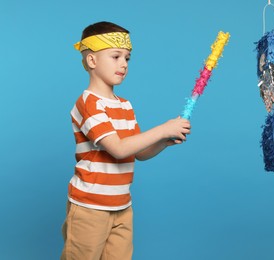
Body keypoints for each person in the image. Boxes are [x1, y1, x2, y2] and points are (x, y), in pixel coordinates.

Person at [61, 21, 191, 260]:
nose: (124, 64)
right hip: (90, 207)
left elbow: (138, 152)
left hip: (121, 206)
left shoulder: (125, 105)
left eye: (127, 58)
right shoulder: (89, 103)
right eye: (116, 56)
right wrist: (163, 129)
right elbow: (118, 149)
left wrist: (163, 142)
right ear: (92, 61)